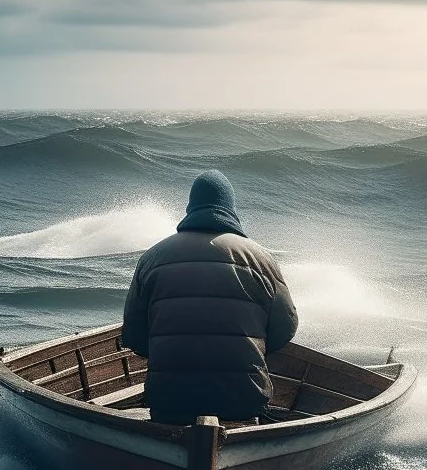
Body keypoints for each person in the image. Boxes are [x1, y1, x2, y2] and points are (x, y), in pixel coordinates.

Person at [121, 170, 298, 424]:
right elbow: (285, 328)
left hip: (169, 400)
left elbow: (133, 336)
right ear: (230, 208)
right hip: (242, 401)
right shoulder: (262, 259)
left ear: (191, 207)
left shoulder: (152, 258)